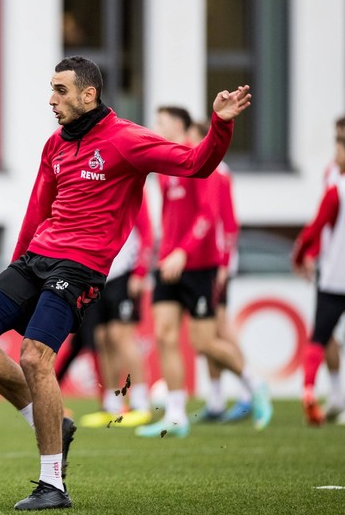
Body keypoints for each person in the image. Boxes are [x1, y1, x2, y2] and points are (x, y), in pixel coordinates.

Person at [0, 55, 251, 510]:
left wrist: (220, 124)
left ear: (88, 94)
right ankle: (48, 420)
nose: (52, 100)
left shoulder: (127, 139)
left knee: (35, 357)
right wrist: (15, 275)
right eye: (51, 90)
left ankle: (53, 484)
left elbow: (196, 163)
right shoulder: (55, 145)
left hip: (80, 269)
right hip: (37, 259)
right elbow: (38, 211)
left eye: (60, 91)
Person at [135, 106, 272, 439]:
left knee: (205, 342)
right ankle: (177, 415)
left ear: (180, 128)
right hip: (168, 264)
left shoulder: (200, 162)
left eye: (161, 122)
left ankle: (255, 384)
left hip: (199, 266)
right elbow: (168, 216)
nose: (156, 127)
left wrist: (184, 252)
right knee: (165, 335)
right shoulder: (165, 166)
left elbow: (209, 216)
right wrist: (164, 252)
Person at [293, 112, 345, 426]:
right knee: (331, 335)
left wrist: (302, 251)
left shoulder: (340, 186)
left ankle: (311, 390)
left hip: (336, 273)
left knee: (320, 334)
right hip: (335, 265)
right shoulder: (331, 174)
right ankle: (336, 395)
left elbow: (318, 224)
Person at [187, 120, 255, 423]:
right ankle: (216, 398)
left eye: (191, 137)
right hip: (207, 262)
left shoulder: (219, 172)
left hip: (216, 263)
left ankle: (248, 391)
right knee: (209, 332)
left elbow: (228, 222)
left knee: (219, 330)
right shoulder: (201, 169)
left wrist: (225, 264)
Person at [74, 191, 154, 428]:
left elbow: (147, 231)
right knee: (101, 338)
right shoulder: (92, 184)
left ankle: (141, 403)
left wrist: (140, 271)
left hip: (124, 273)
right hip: (96, 274)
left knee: (122, 336)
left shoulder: (130, 184)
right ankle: (111, 405)